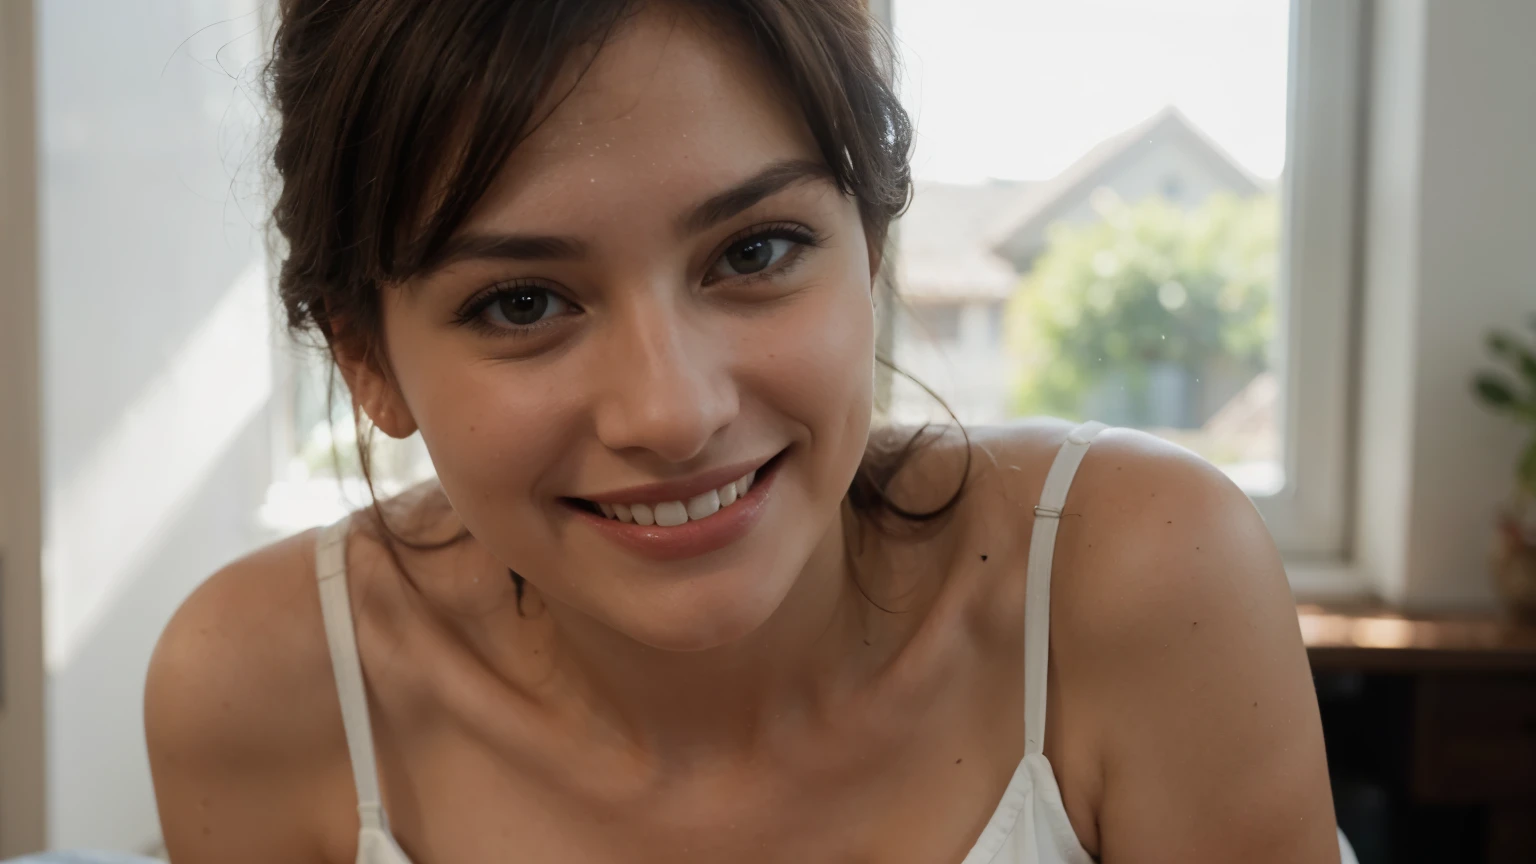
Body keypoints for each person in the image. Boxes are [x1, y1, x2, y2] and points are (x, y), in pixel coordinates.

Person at [145, 1, 1343, 861]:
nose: (672, 412)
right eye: (523, 304)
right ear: (367, 356)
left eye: (754, 251)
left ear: (869, 250)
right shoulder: (266, 689)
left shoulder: (1135, 582)